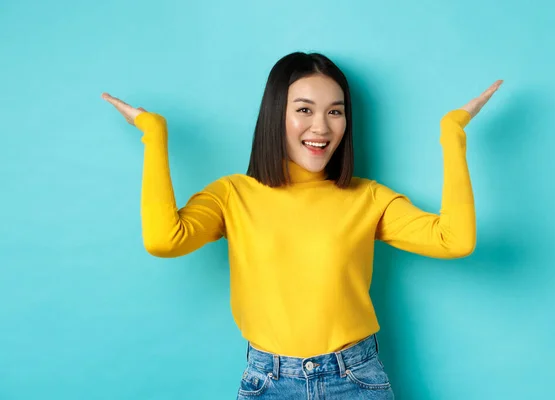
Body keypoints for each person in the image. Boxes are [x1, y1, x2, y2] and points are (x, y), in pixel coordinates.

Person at [102, 52, 502, 400]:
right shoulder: (233, 195)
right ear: (277, 113)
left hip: (356, 379)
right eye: (304, 109)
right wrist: (154, 136)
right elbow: (163, 240)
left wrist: (453, 134)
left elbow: (455, 240)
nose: (322, 128)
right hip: (269, 381)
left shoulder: (369, 198)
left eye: (335, 111)